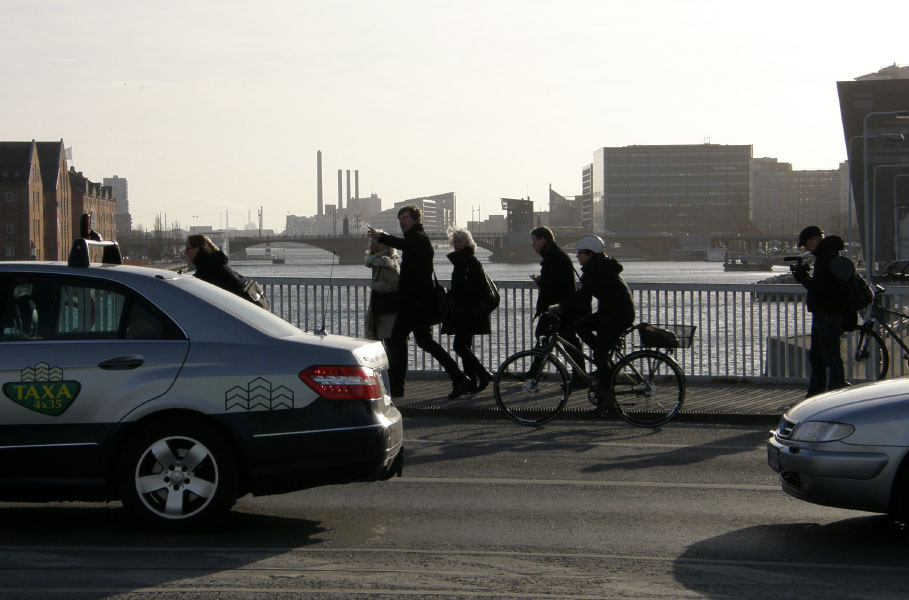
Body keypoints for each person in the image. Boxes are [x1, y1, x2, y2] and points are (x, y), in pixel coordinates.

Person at [367, 206, 471, 399]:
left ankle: (401, 385)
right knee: (413, 341)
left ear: (416, 219)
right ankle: (455, 378)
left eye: (405, 218)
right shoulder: (415, 238)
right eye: (400, 219)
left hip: (417, 305)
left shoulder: (419, 238)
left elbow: (404, 244)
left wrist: (382, 236)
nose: (402, 221)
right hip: (413, 304)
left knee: (405, 340)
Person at [553, 235, 635, 383]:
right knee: (581, 327)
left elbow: (584, 294)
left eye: (580, 253)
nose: (577, 256)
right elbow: (584, 294)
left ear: (589, 254)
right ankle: (605, 363)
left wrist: (561, 307)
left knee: (599, 355)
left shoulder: (599, 270)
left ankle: (606, 396)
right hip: (610, 313)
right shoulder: (599, 267)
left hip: (618, 315)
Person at [792, 225, 849, 397]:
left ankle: (832, 392)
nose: (807, 248)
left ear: (815, 239)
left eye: (808, 244)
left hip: (826, 313)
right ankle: (820, 393)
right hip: (827, 312)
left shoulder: (825, 259)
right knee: (820, 356)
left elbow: (820, 290)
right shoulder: (830, 256)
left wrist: (803, 278)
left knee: (827, 356)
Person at [529, 226, 588, 386]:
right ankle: (534, 374)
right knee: (560, 340)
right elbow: (557, 281)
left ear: (543, 240)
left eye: (534, 241)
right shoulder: (557, 255)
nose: (533, 245)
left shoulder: (553, 257)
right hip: (562, 307)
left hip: (558, 309)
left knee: (549, 338)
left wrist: (543, 283)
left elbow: (554, 285)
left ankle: (533, 375)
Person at [441, 229, 494, 394]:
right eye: (455, 241)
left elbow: (472, 287)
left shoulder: (468, 261)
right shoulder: (463, 260)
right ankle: (471, 383)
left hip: (468, 312)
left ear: (467, 243)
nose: (456, 244)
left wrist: (456, 296)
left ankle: (483, 374)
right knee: (465, 345)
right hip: (466, 311)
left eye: (460, 241)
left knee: (459, 346)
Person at [185, 234, 253, 300]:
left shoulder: (207, 271)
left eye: (188, 249)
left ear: (197, 249)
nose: (186, 252)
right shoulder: (217, 263)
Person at [364, 240, 400, 349]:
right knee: (385, 346)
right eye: (372, 243)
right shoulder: (377, 263)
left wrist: (375, 286)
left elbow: (395, 284)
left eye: (377, 243)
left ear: (386, 247)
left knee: (391, 345)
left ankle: (393, 366)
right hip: (381, 310)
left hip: (388, 312)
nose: (373, 246)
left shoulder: (388, 264)